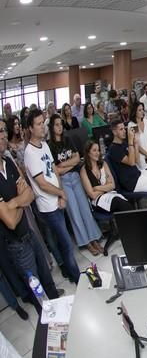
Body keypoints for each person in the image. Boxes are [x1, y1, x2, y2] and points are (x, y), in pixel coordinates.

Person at [0, 124, 62, 313]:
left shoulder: (8, 162)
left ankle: (60, 309)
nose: (3, 136)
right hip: (16, 244)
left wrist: (14, 203)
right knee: (37, 290)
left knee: (46, 277)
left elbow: (30, 194)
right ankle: (48, 322)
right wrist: (21, 201)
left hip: (29, 233)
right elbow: (10, 222)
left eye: (3, 131)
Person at [23, 109, 80, 283]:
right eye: (38, 124)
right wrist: (61, 193)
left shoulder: (45, 145)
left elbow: (54, 171)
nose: (43, 127)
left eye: (43, 123)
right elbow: (42, 184)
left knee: (64, 242)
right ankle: (77, 277)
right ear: (31, 128)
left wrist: (61, 193)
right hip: (48, 206)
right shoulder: (30, 153)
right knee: (66, 243)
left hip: (57, 200)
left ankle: (71, 272)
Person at [47, 114, 103, 256]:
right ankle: (86, 242)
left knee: (85, 209)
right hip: (64, 181)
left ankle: (94, 238)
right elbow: (56, 170)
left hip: (75, 177)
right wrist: (68, 165)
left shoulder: (68, 139)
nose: (60, 127)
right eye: (56, 125)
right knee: (75, 213)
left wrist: (62, 165)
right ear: (52, 127)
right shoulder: (50, 146)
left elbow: (77, 158)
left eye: (61, 124)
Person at [80, 140, 135, 213]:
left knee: (125, 205)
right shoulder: (84, 170)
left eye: (98, 150)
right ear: (88, 153)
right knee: (120, 204)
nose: (97, 153)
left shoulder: (103, 164)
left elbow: (112, 185)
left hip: (111, 195)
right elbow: (92, 195)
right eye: (94, 150)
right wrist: (106, 187)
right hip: (98, 201)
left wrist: (96, 188)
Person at [127, 102, 147, 171]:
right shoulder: (132, 125)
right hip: (142, 159)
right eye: (139, 110)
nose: (142, 112)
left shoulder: (146, 121)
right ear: (135, 112)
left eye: (142, 109)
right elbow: (136, 144)